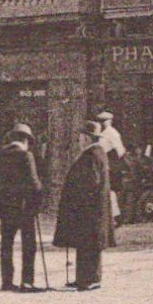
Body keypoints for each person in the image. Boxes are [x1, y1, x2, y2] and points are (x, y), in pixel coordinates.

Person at [55, 121, 114, 291]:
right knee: (85, 244)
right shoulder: (96, 153)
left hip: (89, 209)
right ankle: (83, 278)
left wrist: (77, 200)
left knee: (90, 245)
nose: (79, 141)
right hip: (91, 209)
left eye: (81, 137)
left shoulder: (92, 155)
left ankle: (91, 279)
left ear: (87, 138)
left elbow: (90, 183)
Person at [0, 123, 43, 292]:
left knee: (6, 244)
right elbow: (34, 184)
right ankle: (27, 281)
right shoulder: (26, 155)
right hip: (24, 208)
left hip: (6, 208)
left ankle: (7, 281)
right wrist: (37, 202)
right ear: (25, 140)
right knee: (28, 245)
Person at [95, 110, 126, 224]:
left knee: (110, 190)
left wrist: (114, 164)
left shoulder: (112, 133)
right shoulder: (102, 134)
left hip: (111, 164)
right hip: (103, 163)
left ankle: (116, 217)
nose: (102, 123)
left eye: (104, 121)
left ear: (109, 121)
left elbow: (120, 150)